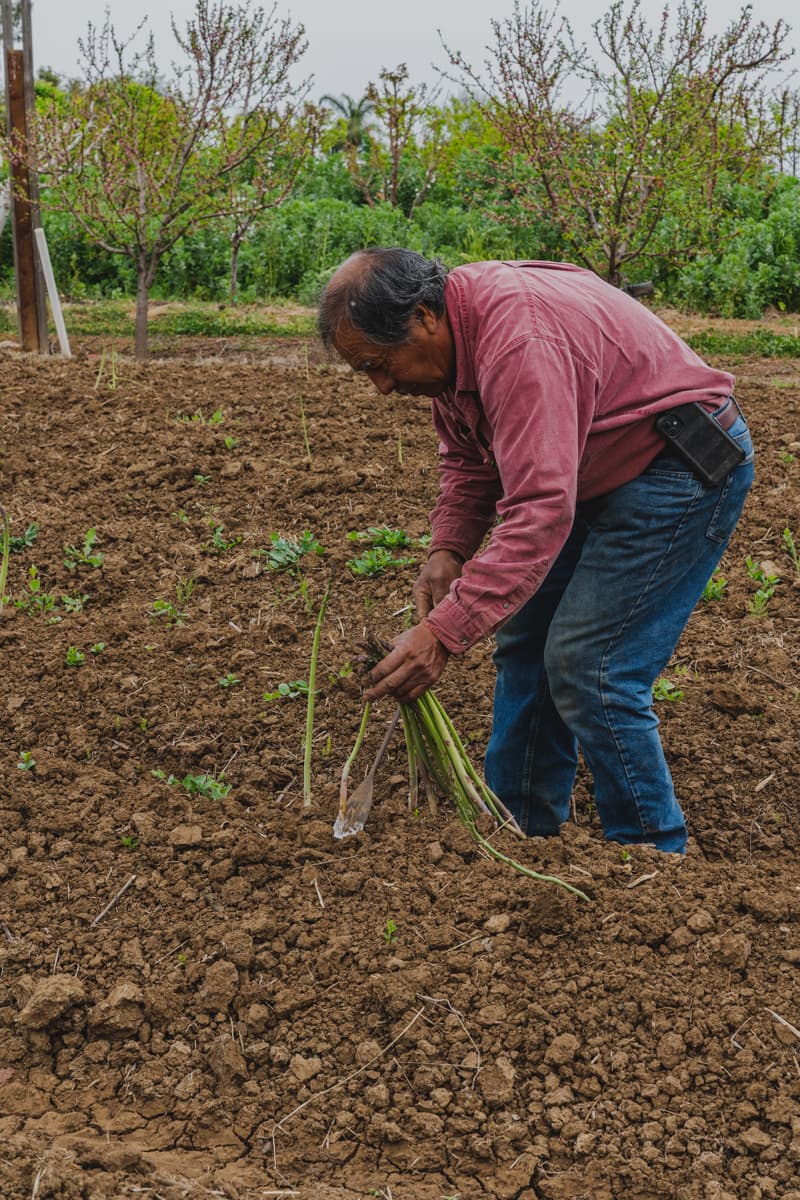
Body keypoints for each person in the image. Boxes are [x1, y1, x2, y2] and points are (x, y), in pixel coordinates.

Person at [318, 249, 754, 853]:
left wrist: (443, 633)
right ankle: (523, 827)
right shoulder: (453, 345)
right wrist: (449, 547)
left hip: (675, 465)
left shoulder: (517, 340)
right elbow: (473, 456)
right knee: (525, 644)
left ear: (423, 317)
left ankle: (652, 855)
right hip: (594, 463)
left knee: (590, 664)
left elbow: (541, 511)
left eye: (379, 364)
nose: (383, 386)